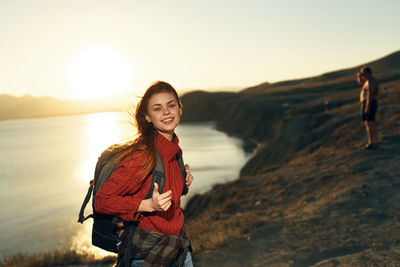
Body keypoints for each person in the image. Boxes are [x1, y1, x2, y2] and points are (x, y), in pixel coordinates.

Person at [95, 81, 194, 267]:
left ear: (180, 109)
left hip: (179, 248)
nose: (166, 112)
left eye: (171, 105)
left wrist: (184, 185)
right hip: (148, 256)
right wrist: (146, 204)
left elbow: (166, 197)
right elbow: (102, 200)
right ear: (148, 117)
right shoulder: (141, 156)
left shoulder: (174, 149)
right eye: (157, 108)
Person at [357, 66, 379, 149]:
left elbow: (370, 94)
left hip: (369, 102)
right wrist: (359, 76)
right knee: (368, 123)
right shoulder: (368, 80)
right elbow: (360, 82)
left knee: (370, 123)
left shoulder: (371, 81)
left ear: (368, 73)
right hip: (368, 102)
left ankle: (373, 142)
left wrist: (367, 106)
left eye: (364, 73)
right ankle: (372, 141)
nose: (363, 75)